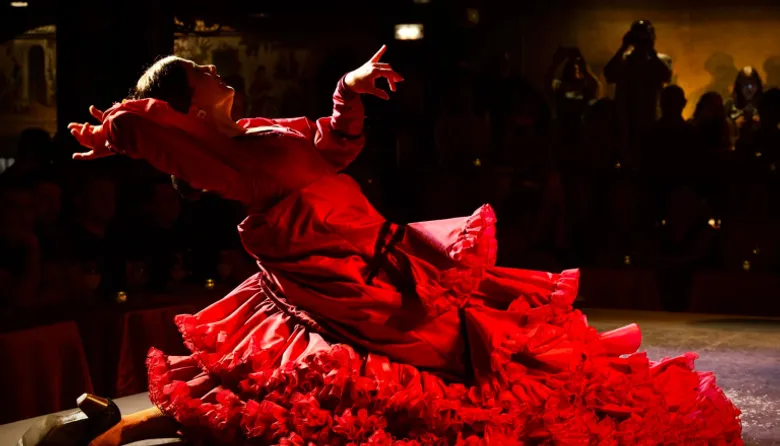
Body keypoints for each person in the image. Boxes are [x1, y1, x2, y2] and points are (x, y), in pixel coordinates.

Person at [69, 48, 741, 445]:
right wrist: (121, 127)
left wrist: (349, 92)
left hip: (385, 257)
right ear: (187, 104)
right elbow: (154, 125)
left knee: (484, 348)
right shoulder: (220, 158)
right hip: (360, 277)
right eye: (201, 69)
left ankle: (117, 428)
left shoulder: (254, 131)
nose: (215, 68)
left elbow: (331, 145)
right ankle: (112, 432)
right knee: (448, 374)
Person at [604, 20, 672, 158]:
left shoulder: (661, 59)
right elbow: (608, 75)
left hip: (650, 118)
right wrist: (623, 47)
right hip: (625, 120)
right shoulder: (623, 60)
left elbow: (666, 76)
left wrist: (651, 50)